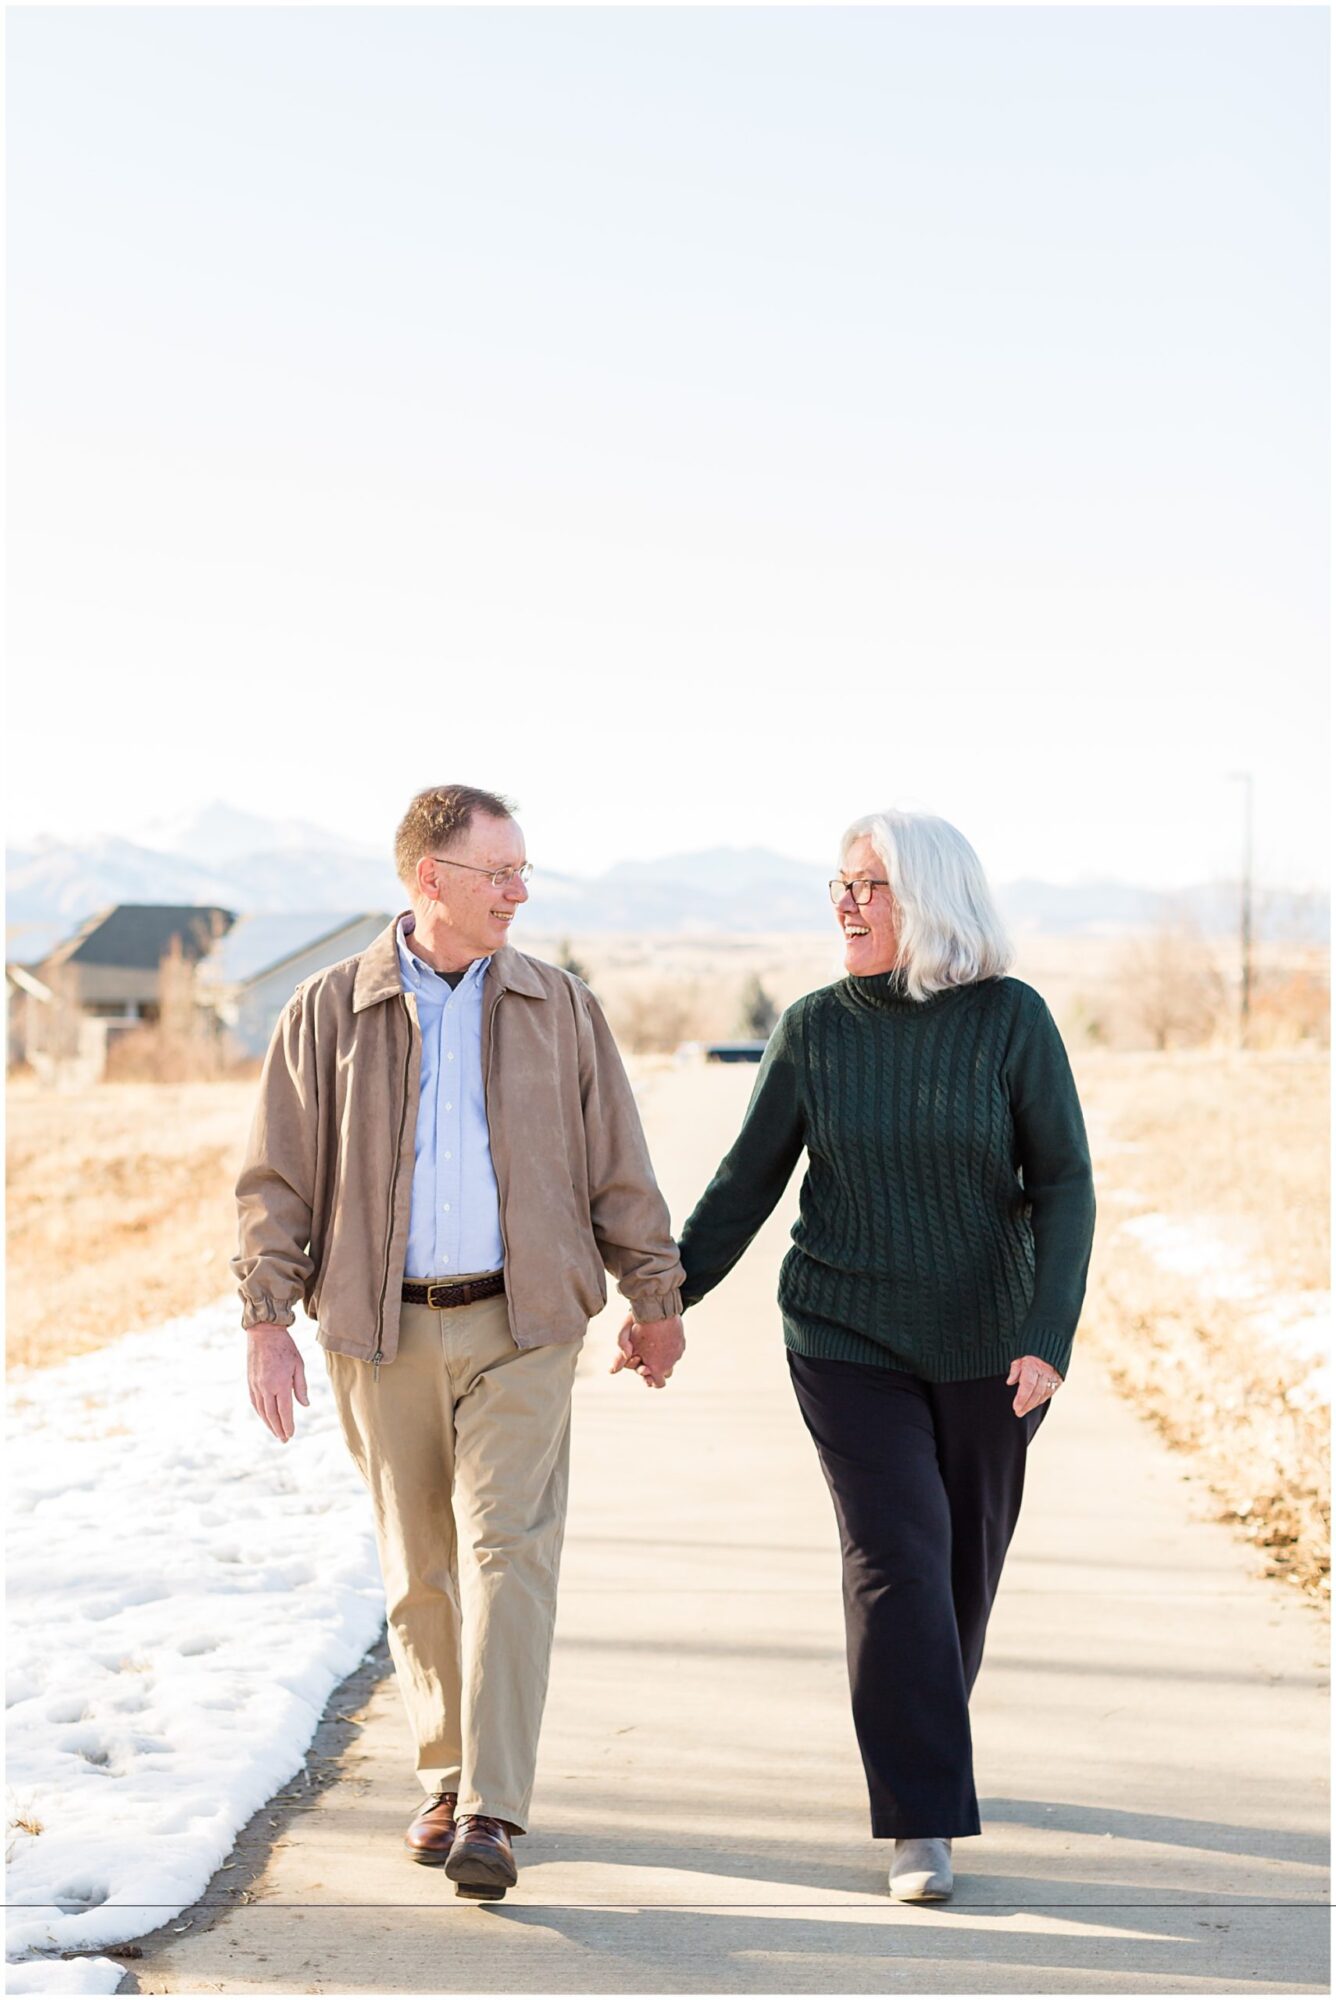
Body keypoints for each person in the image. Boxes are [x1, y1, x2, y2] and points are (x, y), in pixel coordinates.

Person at [622, 808, 1095, 1902]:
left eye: (869, 885)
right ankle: (918, 1818)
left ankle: (923, 1733)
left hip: (989, 1344)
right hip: (844, 1337)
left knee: (959, 1570)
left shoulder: (1010, 1021)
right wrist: (665, 1299)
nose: (844, 903)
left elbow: (1063, 1181)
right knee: (896, 1560)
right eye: (837, 884)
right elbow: (747, 1181)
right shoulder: (815, 1028)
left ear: (930, 900)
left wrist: (1047, 1333)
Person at [234, 783, 686, 1900]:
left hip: (522, 1321)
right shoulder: (331, 1009)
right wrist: (264, 1319)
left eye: (525, 872)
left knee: (507, 1552)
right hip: (376, 1331)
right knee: (419, 1569)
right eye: (500, 873)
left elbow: (616, 1159)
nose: (518, 893)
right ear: (428, 878)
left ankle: (490, 1804)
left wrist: (653, 1292)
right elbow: (276, 1180)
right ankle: (441, 1775)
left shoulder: (559, 1006)